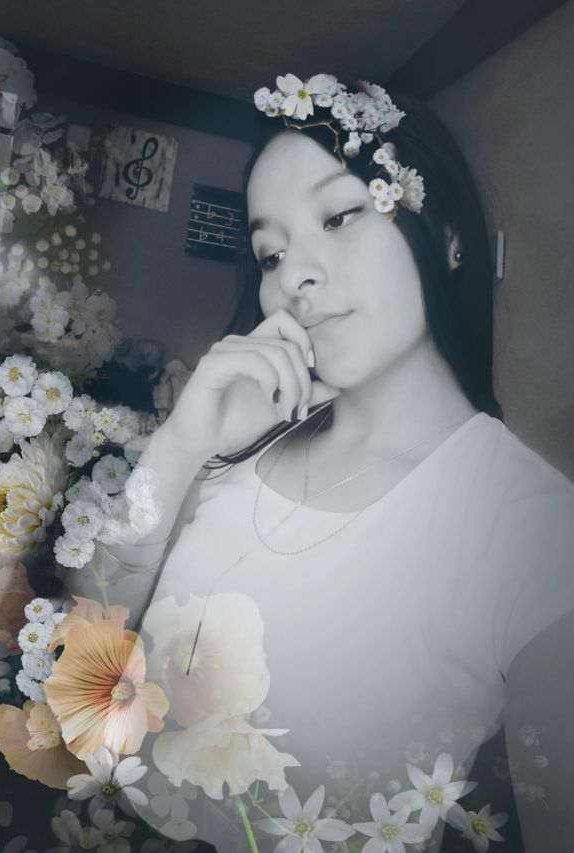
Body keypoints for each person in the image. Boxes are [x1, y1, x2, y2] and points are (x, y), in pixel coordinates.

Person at [113, 74, 574, 853]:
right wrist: (182, 443)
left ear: (448, 234)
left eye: (339, 216)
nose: (294, 276)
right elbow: (85, 645)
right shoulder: (238, 447)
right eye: (270, 252)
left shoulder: (528, 524)